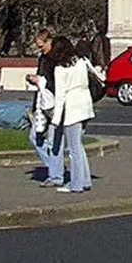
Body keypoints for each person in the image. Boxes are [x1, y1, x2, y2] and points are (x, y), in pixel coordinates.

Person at [46, 33, 101, 195]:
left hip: (72, 108)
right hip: (85, 104)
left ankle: (76, 184)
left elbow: (61, 95)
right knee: (79, 145)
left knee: (74, 148)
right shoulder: (82, 61)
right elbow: (97, 76)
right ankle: (85, 180)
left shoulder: (60, 69)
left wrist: (56, 120)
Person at [27, 30, 62, 187]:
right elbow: (41, 86)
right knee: (35, 137)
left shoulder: (58, 60)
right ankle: (54, 167)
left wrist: (41, 82)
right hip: (42, 103)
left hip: (54, 103)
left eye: (42, 46)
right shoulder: (43, 59)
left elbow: (56, 84)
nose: (41, 49)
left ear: (50, 41)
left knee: (55, 140)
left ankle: (56, 173)